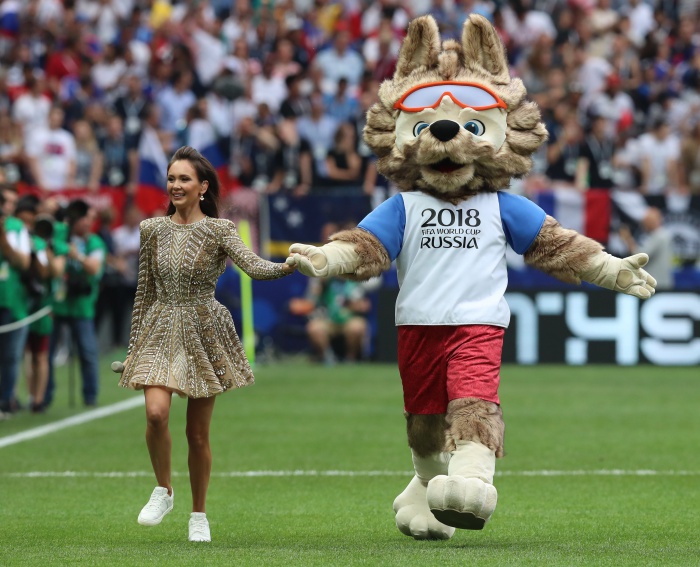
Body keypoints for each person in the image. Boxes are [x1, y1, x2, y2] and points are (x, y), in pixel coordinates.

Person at [117, 146, 295, 543]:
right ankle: (164, 490)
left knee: (197, 434)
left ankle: (198, 513)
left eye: (184, 179)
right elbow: (144, 293)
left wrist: (290, 264)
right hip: (160, 325)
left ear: (203, 187)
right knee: (156, 415)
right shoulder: (151, 229)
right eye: (171, 178)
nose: (176, 185)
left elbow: (254, 266)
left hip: (203, 328)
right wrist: (133, 352)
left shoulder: (220, 230)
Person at [45, 200, 107, 409]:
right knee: (47, 353)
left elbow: (94, 268)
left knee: (87, 352)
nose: (88, 223)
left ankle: (90, 396)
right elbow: (47, 233)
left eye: (90, 219)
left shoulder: (95, 242)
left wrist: (76, 255)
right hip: (57, 303)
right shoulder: (61, 234)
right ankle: (45, 397)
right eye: (84, 219)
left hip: (82, 305)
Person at [0, 190, 32, 415]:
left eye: (12, 202)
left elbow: (23, 262)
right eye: (5, 201)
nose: (7, 206)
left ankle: (5, 401)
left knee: (10, 355)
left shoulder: (16, 227)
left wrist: (3, 239)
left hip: (10, 299)